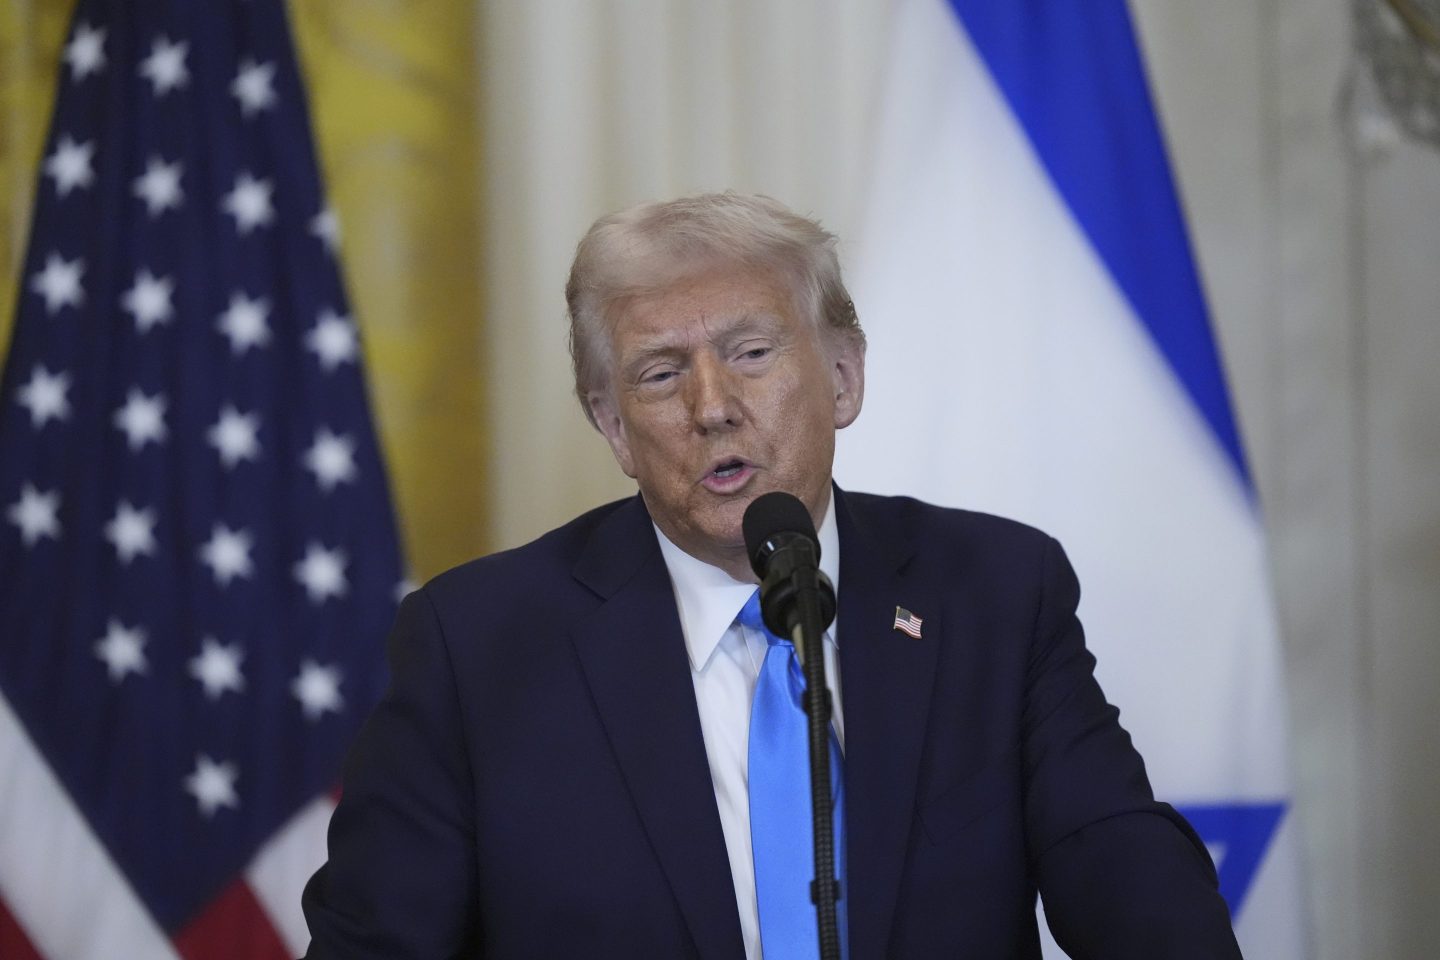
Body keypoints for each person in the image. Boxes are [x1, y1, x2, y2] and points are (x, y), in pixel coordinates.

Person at [301, 193, 1242, 959]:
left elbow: (1124, 876)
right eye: (661, 375)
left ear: (842, 378)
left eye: (752, 354)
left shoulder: (994, 592)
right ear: (614, 427)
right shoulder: (480, 644)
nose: (713, 406)